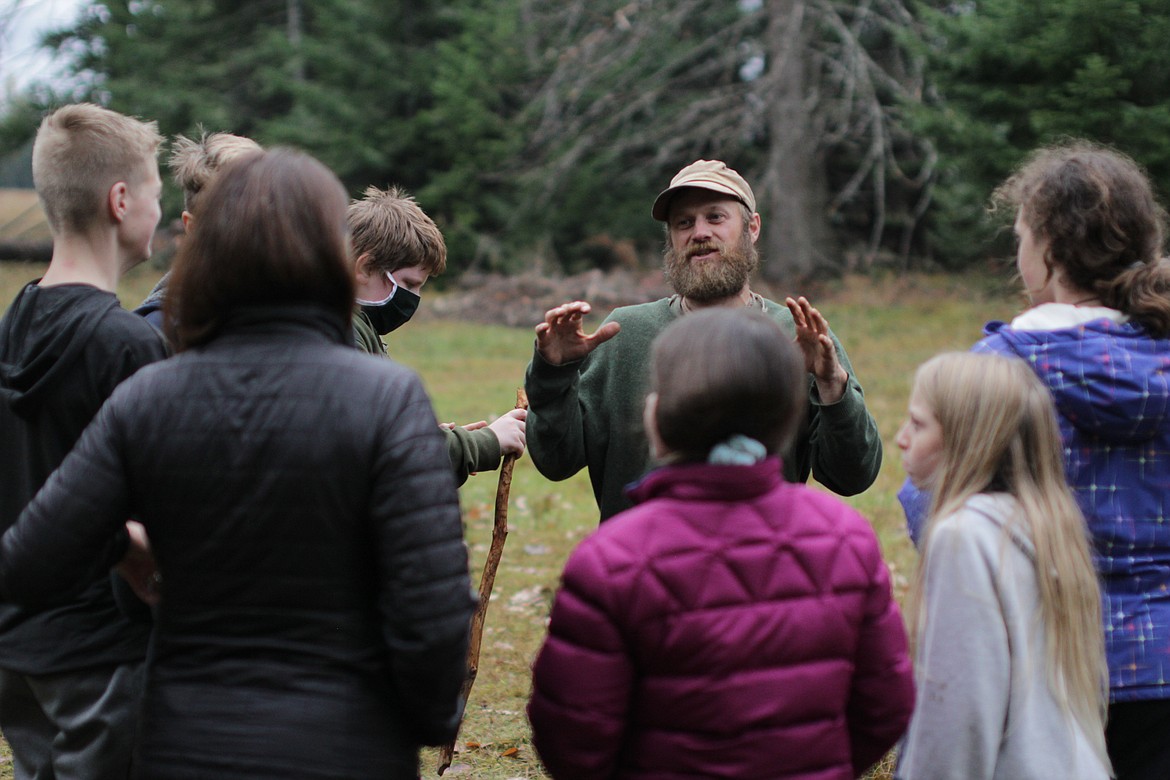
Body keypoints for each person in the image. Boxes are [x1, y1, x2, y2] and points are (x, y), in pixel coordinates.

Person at [0, 148, 476, 779]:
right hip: (347, 743)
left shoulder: (150, 395)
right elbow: (433, 607)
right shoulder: (385, 400)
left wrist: (123, 549)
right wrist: (415, 718)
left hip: (187, 742)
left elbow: (29, 560)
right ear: (331, 256)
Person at [527, 308, 913, 779]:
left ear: (657, 418)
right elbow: (886, 703)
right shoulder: (847, 540)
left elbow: (569, 732)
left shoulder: (611, 560)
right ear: (790, 415)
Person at [898, 141, 1170, 779]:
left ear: (1047, 248)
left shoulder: (998, 368)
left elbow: (934, 508)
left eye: (1021, 235)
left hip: (1055, 666)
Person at [525, 159, 881, 520]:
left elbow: (852, 476)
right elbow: (556, 461)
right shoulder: (625, 335)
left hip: (761, 566)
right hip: (641, 565)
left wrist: (833, 386)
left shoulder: (795, 334)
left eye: (715, 217)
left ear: (752, 227)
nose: (699, 232)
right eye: (684, 222)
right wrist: (555, 374)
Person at [0, 103, 167, 780]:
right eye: (156, 192)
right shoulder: (128, 347)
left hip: (17, 649)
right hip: (105, 657)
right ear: (121, 200)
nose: (159, 209)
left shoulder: (8, 329)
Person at [894, 352, 1110, 780]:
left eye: (918, 424)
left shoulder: (963, 537)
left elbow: (959, 713)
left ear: (969, 440)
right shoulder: (1047, 524)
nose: (900, 438)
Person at [347, 184, 526, 485]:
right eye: (409, 283)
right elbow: (387, 451)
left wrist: (439, 440)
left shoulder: (359, 327)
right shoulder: (344, 335)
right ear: (364, 268)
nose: (414, 298)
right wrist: (485, 442)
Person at [134, 130, 262, 330]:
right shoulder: (158, 330)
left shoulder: (308, 313)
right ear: (192, 228)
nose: (252, 232)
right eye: (230, 220)